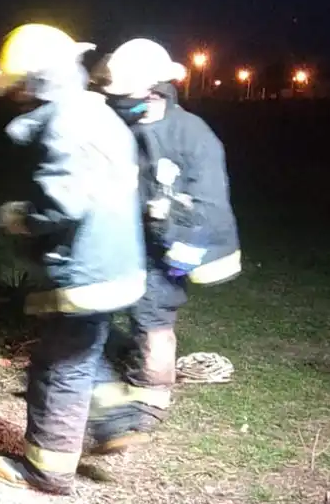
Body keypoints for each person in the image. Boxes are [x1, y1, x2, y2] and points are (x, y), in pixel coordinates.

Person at [0, 24, 149, 494]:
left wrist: (20, 217)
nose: (14, 92)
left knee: (57, 367)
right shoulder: (97, 113)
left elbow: (64, 204)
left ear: (37, 80)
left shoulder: (65, 125)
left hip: (83, 269)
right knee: (84, 348)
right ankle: (117, 418)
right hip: (116, 264)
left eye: (19, 82)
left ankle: (46, 469)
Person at [91, 38, 243, 440]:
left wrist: (180, 241)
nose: (116, 101)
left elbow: (208, 204)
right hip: (145, 235)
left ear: (153, 90)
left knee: (153, 313)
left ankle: (149, 403)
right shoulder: (133, 125)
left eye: (124, 94)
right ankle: (126, 370)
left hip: (180, 242)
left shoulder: (192, 134)